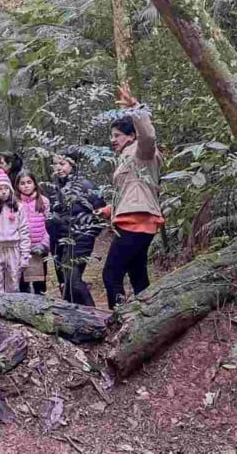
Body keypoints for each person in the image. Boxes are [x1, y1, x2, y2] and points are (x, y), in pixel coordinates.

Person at [99, 85, 164, 309]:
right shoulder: (126, 158)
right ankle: (148, 315)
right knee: (138, 275)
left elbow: (148, 135)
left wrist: (135, 108)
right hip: (135, 220)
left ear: (131, 135)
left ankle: (118, 319)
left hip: (137, 221)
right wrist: (109, 210)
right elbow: (133, 190)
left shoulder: (142, 152)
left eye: (117, 135)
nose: (113, 140)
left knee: (111, 274)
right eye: (112, 136)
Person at [46, 149, 106, 306]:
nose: (58, 168)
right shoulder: (53, 188)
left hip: (80, 240)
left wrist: (88, 234)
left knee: (73, 279)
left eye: (62, 163)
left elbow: (100, 213)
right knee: (65, 284)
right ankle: (75, 320)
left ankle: (95, 314)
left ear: (73, 164)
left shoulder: (86, 186)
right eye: (55, 164)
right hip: (58, 242)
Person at [0, 170, 32, 292]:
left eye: (6, 188)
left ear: (10, 189)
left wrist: (25, 255)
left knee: (13, 280)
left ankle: (12, 307)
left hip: (14, 248)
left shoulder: (18, 208)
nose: (3, 191)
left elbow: (24, 231)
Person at [16, 170, 51, 294]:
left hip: (40, 250)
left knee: (40, 284)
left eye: (29, 182)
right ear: (17, 186)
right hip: (22, 250)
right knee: (22, 284)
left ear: (35, 184)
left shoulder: (44, 201)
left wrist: (44, 244)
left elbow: (49, 226)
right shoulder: (15, 203)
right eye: (22, 183)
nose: (26, 186)